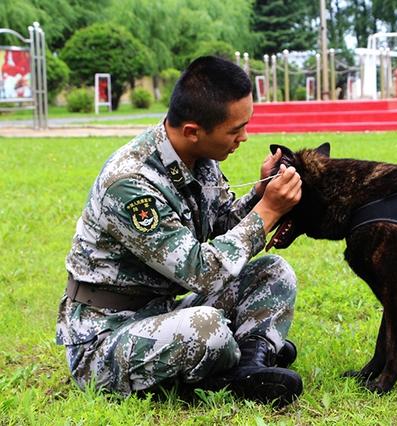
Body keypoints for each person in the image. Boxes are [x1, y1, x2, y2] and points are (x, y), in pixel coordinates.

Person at [56, 55, 303, 407]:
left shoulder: (199, 159)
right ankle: (242, 355)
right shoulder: (131, 184)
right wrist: (268, 212)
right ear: (193, 130)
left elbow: (219, 228)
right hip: (105, 337)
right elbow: (201, 272)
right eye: (235, 130)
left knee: (274, 272)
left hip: (160, 312)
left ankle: (250, 363)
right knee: (205, 328)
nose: (245, 138)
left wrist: (258, 196)